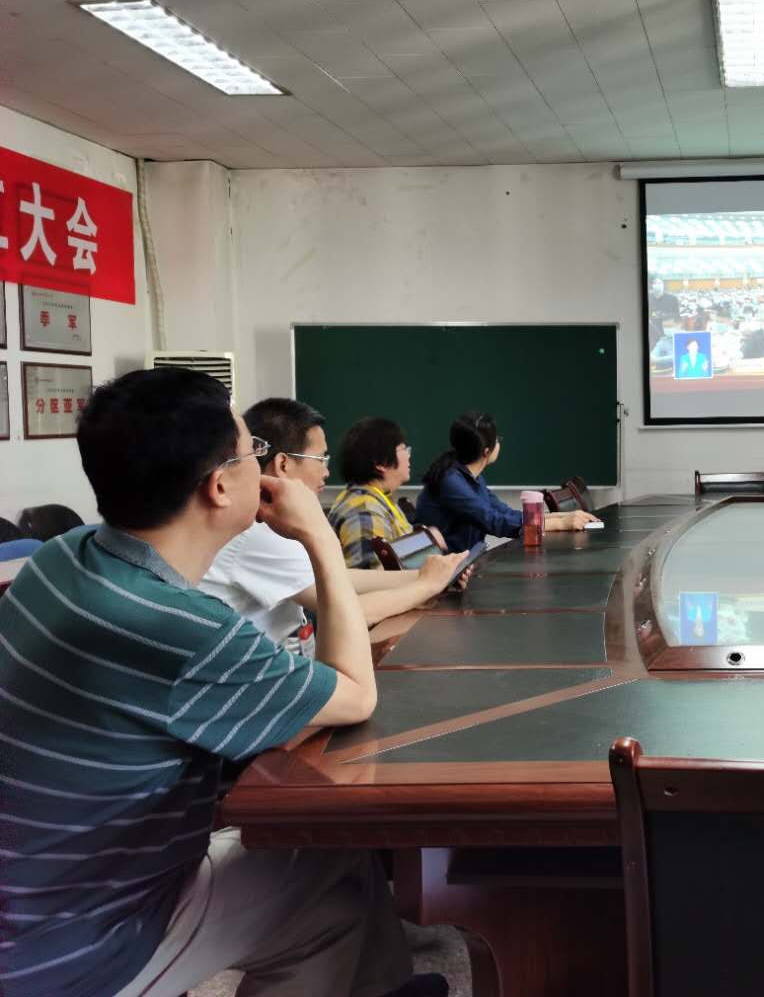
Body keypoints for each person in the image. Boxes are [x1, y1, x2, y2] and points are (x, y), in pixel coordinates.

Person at [0, 367, 441, 997]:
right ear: (219, 485)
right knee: (329, 891)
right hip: (71, 944)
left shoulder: (59, 556)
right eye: (251, 452)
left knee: (328, 860)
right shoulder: (183, 628)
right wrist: (317, 533)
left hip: (33, 889)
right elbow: (355, 695)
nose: (263, 465)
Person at [201, 399, 474, 657]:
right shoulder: (255, 531)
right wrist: (426, 586)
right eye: (320, 459)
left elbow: (338, 579)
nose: (327, 472)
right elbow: (348, 613)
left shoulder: (273, 520)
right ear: (283, 463)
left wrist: (430, 576)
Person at [415, 412, 597, 552]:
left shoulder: (471, 477)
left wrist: (564, 517)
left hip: (461, 565)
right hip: (447, 572)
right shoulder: (450, 481)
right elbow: (495, 522)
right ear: (486, 451)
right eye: (497, 440)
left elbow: (505, 513)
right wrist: (559, 524)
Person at [328, 417, 416, 570]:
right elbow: (375, 577)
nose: (408, 456)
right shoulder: (364, 510)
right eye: (403, 449)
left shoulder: (381, 497)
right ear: (380, 462)